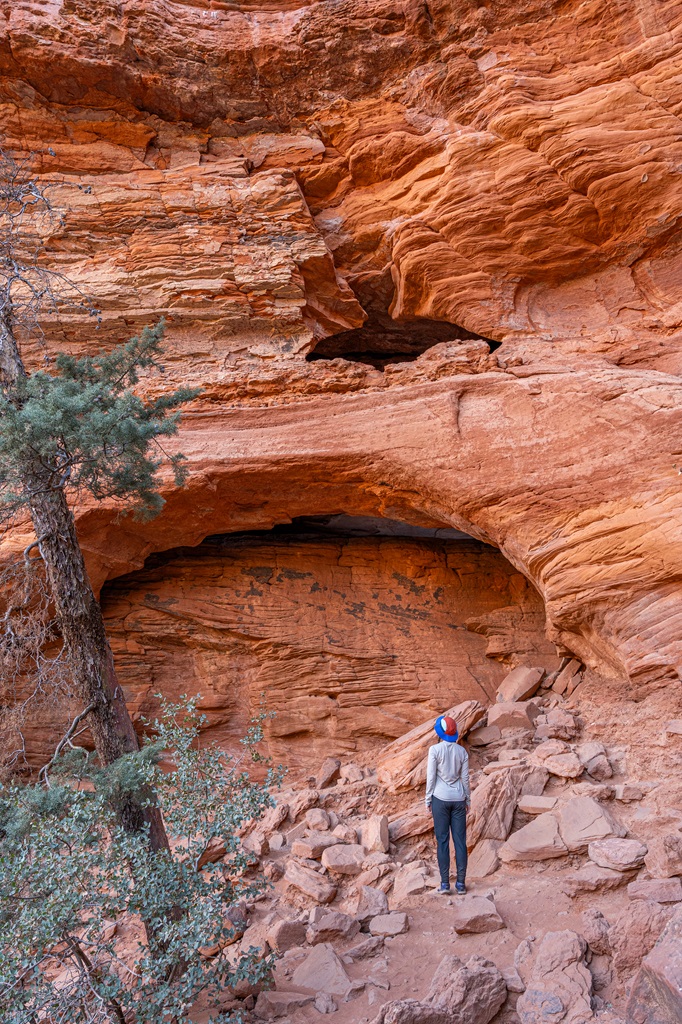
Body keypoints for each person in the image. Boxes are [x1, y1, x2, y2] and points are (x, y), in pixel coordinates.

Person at [425, 714, 470, 894]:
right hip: (458, 799)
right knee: (460, 842)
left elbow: (431, 777)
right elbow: (465, 778)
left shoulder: (434, 750)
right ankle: (460, 884)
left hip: (440, 799)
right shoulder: (462, 752)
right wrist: (467, 799)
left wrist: (428, 799)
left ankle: (444, 884)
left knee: (442, 841)